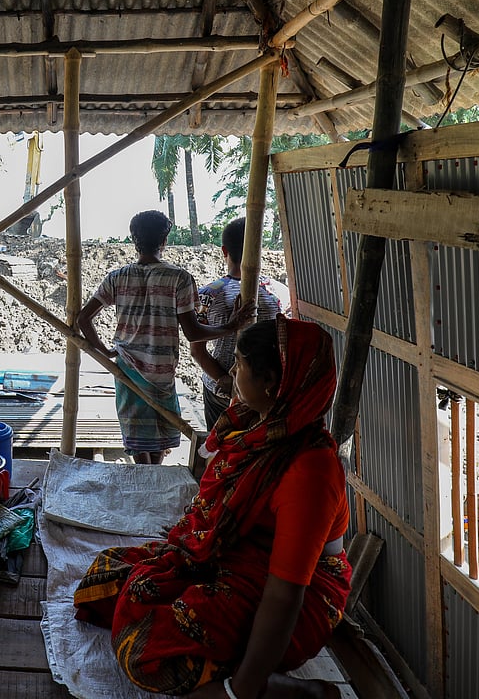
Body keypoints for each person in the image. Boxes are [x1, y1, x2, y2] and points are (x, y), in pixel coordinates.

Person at [73, 316, 351, 699]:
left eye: (240, 365)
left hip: (297, 597)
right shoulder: (259, 425)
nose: (233, 374)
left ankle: (287, 690)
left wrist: (241, 691)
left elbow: (285, 594)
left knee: (145, 652)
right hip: (240, 558)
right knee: (107, 582)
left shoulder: (310, 471)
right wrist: (194, 546)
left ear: (270, 381)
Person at [77, 210, 251, 465]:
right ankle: (153, 480)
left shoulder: (117, 277)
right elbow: (193, 332)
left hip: (127, 370)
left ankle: (147, 481)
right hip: (160, 372)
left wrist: (104, 351)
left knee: (138, 440)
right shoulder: (179, 278)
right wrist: (231, 326)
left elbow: (83, 319)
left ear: (134, 240)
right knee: (159, 439)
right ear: (165, 240)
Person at [191, 217, 289, 435]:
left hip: (220, 390)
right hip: (265, 389)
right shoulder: (278, 293)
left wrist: (225, 379)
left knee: (220, 448)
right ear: (258, 248)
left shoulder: (208, 295)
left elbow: (197, 351)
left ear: (224, 250)